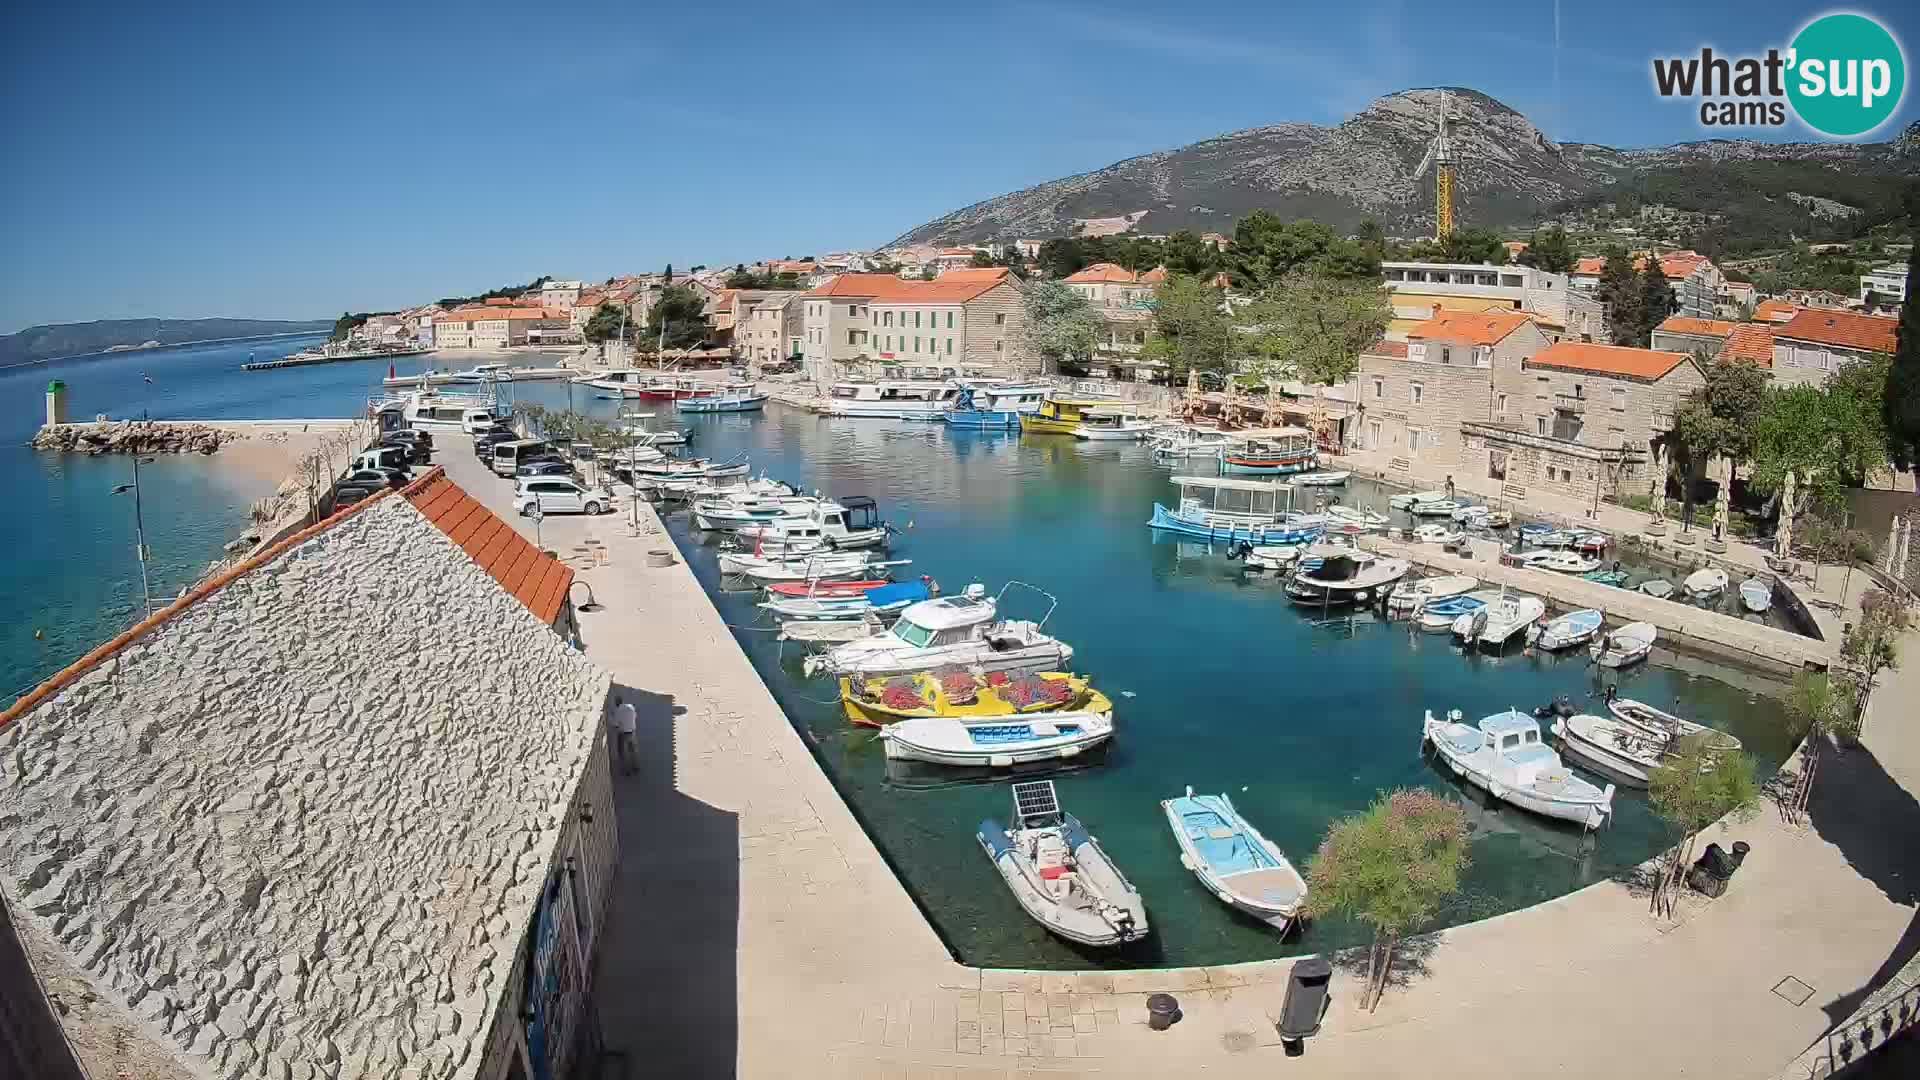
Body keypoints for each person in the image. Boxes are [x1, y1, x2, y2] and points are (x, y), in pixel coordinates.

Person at [611, 695, 638, 776]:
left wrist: (613, 717)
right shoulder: (631, 707)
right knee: (632, 750)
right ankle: (635, 766)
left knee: (622, 752)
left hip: (623, 733)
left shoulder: (618, 711)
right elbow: (635, 716)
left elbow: (615, 724)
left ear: (616, 703)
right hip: (632, 732)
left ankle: (626, 771)